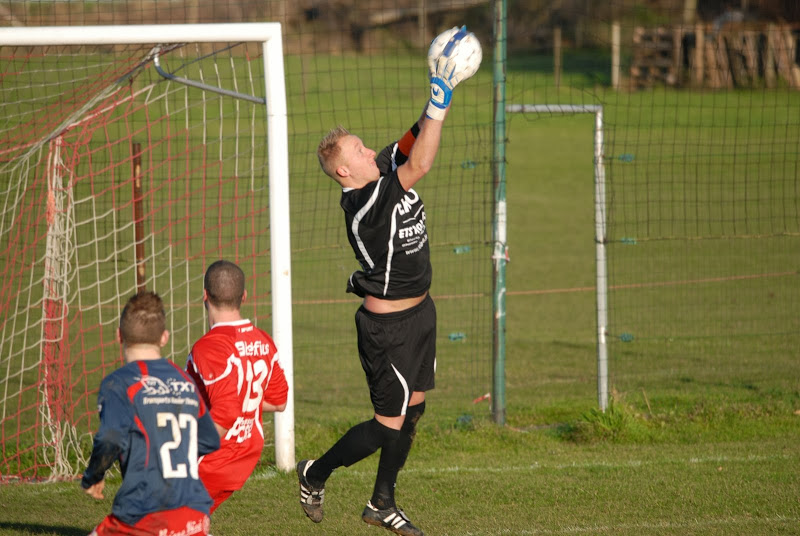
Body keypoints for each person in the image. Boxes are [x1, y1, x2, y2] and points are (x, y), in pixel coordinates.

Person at [297, 26, 479, 536]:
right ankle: (316, 471)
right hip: (389, 330)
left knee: (414, 411)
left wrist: (435, 96)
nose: (368, 150)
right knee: (386, 426)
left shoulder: (374, 173)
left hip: (420, 315)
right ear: (343, 171)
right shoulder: (366, 202)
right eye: (358, 148)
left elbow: (407, 143)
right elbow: (420, 162)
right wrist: (442, 101)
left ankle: (382, 503)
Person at [81, 290, 220, 536]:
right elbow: (209, 440)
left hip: (145, 512)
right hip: (195, 513)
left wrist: (93, 476)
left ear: (119, 335)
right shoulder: (185, 382)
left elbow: (110, 437)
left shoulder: (120, 383)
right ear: (164, 338)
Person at [185, 259, 289, 514]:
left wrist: (182, 451)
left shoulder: (208, 347)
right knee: (188, 520)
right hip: (245, 453)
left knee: (147, 518)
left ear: (205, 296)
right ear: (244, 296)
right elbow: (278, 401)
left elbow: (227, 411)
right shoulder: (264, 341)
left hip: (212, 458)